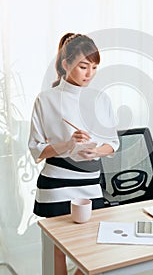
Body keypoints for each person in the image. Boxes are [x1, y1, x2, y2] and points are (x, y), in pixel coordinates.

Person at [28, 33, 119, 275]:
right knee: (58, 250)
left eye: (94, 67)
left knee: (94, 248)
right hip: (56, 184)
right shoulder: (46, 99)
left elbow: (113, 143)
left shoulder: (101, 99)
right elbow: (36, 149)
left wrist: (96, 151)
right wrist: (68, 144)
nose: (89, 73)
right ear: (66, 64)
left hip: (90, 183)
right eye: (83, 66)